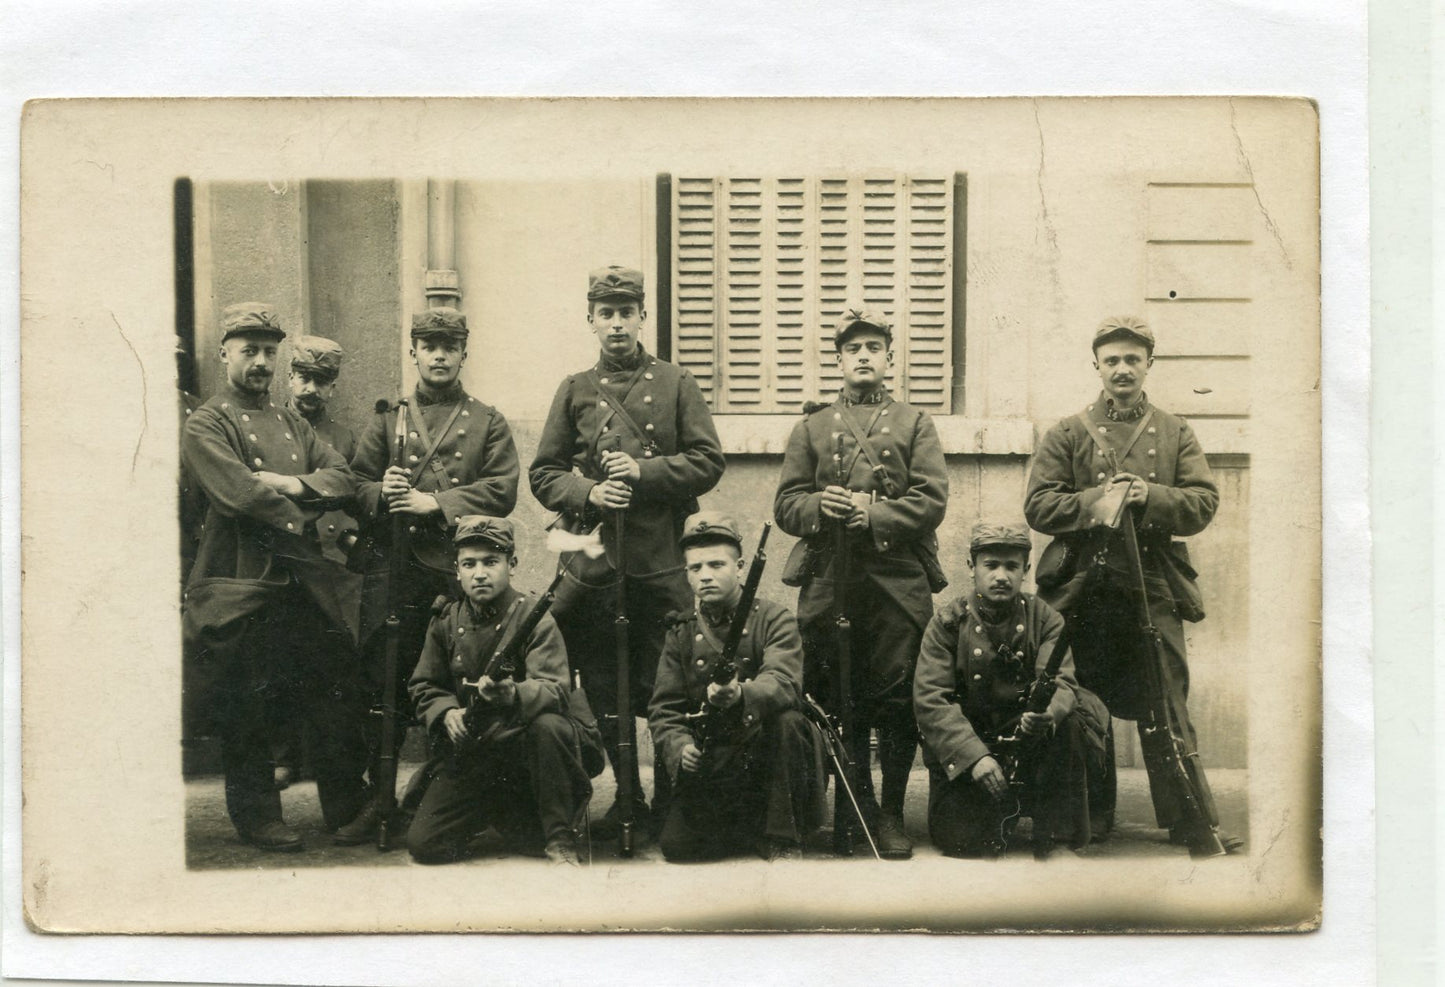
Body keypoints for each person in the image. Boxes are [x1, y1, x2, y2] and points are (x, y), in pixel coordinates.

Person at [1023, 315, 1242, 855]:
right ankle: (1088, 817)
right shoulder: (1069, 433)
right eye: (1112, 359)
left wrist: (1150, 497)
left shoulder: (1174, 431)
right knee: (1076, 698)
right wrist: (1096, 501)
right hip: (1082, 588)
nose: (1122, 369)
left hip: (1150, 585)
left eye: (1133, 359)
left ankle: (1190, 820)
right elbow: (1038, 504)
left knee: (1165, 700)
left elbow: (1203, 502)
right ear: (1095, 365)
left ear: (1149, 364)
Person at [529, 265, 726, 839]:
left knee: (669, 678)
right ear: (590, 320)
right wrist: (588, 491)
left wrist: (643, 472)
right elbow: (543, 473)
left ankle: (669, 794)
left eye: (626, 312)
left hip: (660, 558)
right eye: (605, 313)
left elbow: (708, 461)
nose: (616, 324)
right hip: (591, 559)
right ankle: (626, 795)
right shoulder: (574, 388)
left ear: (642, 317)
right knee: (602, 681)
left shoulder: (676, 383)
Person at [180, 303, 369, 851]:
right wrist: (303, 505)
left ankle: (346, 806)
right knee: (249, 703)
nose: (261, 362)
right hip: (244, 581)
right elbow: (238, 493)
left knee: (335, 686)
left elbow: (344, 476)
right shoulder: (208, 421)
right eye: (249, 351)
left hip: (304, 581)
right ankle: (258, 816)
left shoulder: (293, 423)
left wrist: (293, 488)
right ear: (225, 354)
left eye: (268, 352)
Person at [336, 306, 521, 845]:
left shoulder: (487, 420)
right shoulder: (386, 419)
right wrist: (383, 490)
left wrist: (433, 502)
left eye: (450, 345)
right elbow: (354, 481)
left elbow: (502, 490)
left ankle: (436, 794)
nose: (439, 354)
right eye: (428, 344)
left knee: (456, 684)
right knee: (382, 686)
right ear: (413, 351)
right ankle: (382, 798)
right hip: (392, 573)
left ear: (465, 352)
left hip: (453, 575)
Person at [773, 306, 948, 859]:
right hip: (830, 576)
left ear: (889, 358)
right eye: (854, 349)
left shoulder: (916, 423)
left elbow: (931, 499)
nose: (864, 357)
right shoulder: (812, 426)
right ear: (840, 360)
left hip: (897, 579)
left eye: (874, 348)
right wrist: (820, 506)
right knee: (829, 690)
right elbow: (786, 502)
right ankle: (855, 806)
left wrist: (872, 514)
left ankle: (892, 812)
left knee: (896, 695)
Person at [913, 521, 1111, 859]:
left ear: (1026, 570)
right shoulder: (947, 623)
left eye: (1012, 566)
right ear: (971, 567)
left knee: (1073, 721)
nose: (1001, 576)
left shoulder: (1046, 619)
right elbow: (932, 698)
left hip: (1030, 739)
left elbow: (1063, 681)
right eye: (991, 565)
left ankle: (1054, 825)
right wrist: (974, 757)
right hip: (972, 744)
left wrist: (1046, 715)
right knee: (961, 841)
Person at [406, 516, 594, 867]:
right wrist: (446, 712)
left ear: (512, 565)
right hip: (476, 747)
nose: (480, 573)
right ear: (457, 570)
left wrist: (513, 694)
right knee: (425, 845)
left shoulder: (535, 616)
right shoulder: (446, 620)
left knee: (549, 725)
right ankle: (493, 810)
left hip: (527, 750)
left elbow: (555, 689)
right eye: (469, 563)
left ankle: (559, 836)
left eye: (491, 562)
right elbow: (424, 683)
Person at [648, 512, 821, 862]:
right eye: (695, 568)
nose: (705, 576)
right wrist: (680, 747)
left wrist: (742, 694)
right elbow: (663, 707)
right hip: (712, 754)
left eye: (716, 564)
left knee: (789, 721)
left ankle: (782, 836)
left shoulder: (773, 619)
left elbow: (785, 682)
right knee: (679, 848)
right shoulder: (680, 631)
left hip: (764, 753)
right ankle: (744, 828)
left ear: (740, 566)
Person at [268, 335, 359, 790]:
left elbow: (352, 490)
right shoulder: (271, 425)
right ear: (289, 377)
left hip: (330, 563)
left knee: (329, 663)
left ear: (333, 388)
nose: (310, 389)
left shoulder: (342, 437)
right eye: (303, 377)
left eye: (321, 382)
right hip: (284, 560)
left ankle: (327, 762)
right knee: (281, 659)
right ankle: (285, 755)